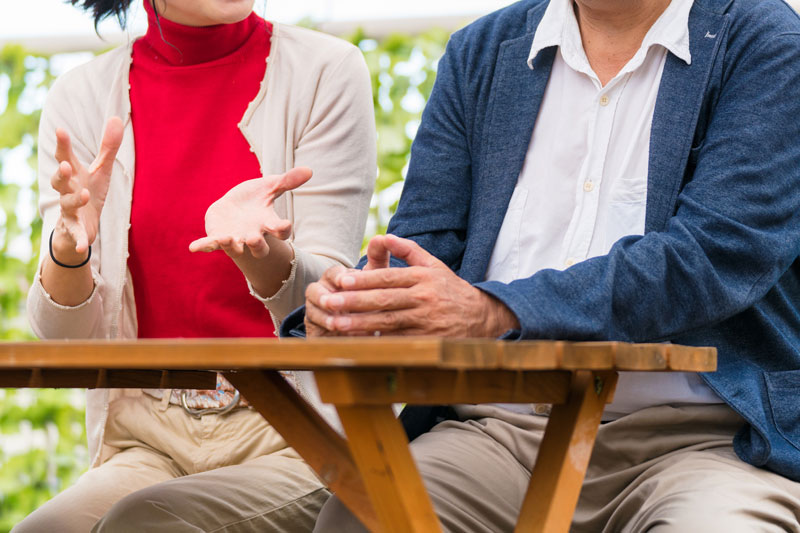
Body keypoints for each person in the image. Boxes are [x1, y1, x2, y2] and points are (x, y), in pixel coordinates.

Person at [298, 0, 800, 530]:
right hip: (498, 431)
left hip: (709, 438)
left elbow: (713, 256)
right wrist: (361, 303)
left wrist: (495, 310)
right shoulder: (483, 50)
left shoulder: (765, 41)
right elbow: (423, 244)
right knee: (361, 519)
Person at [16, 0, 375, 531]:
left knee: (146, 523)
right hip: (148, 437)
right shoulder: (83, 97)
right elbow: (64, 340)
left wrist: (262, 254)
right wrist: (70, 251)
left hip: (295, 432)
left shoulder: (326, 70)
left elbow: (325, 311)